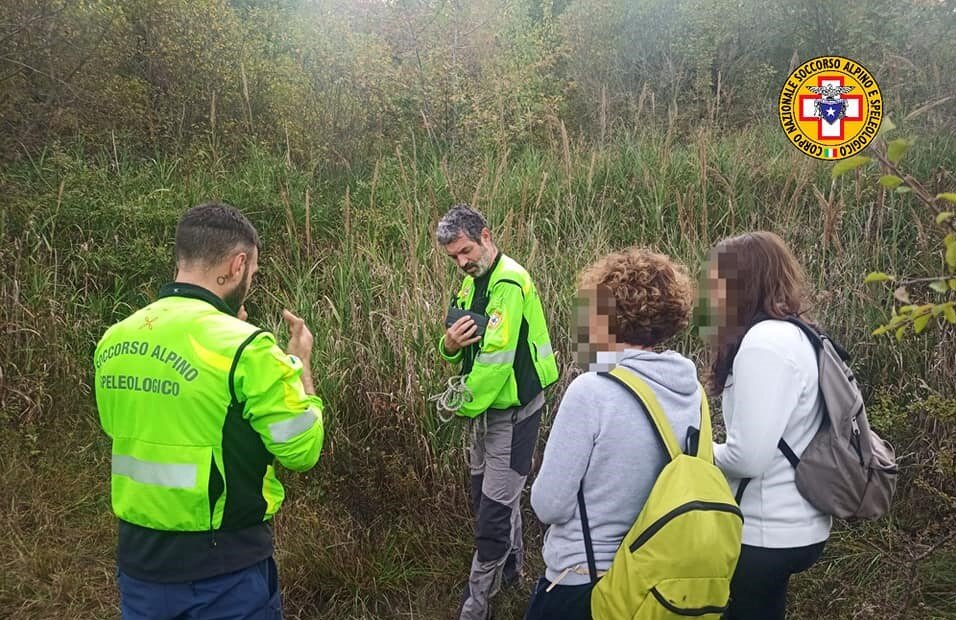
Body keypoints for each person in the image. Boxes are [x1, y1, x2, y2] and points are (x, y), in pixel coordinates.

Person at [94, 202, 325, 619]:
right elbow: (302, 448)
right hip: (224, 572)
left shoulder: (114, 339)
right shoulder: (248, 348)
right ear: (238, 265)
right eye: (253, 273)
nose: (250, 281)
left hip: (139, 566)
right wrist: (299, 365)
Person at [525, 247, 701, 620]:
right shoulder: (692, 392)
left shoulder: (592, 391)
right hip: (662, 583)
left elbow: (549, 504)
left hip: (587, 582)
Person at [435, 204, 559, 620]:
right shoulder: (471, 284)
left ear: (486, 236)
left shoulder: (508, 281)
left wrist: (458, 404)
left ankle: (477, 605)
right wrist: (448, 346)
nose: (462, 262)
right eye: (454, 257)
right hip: (484, 413)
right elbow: (457, 346)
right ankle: (511, 573)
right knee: (488, 499)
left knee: (491, 515)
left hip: (514, 413)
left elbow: (496, 361)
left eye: (466, 251)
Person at [704, 231, 831, 620]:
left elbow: (748, 458)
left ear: (741, 284)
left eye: (717, 282)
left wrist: (690, 450)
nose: (711, 294)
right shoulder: (798, 333)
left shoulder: (764, 345)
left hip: (766, 531)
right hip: (798, 521)